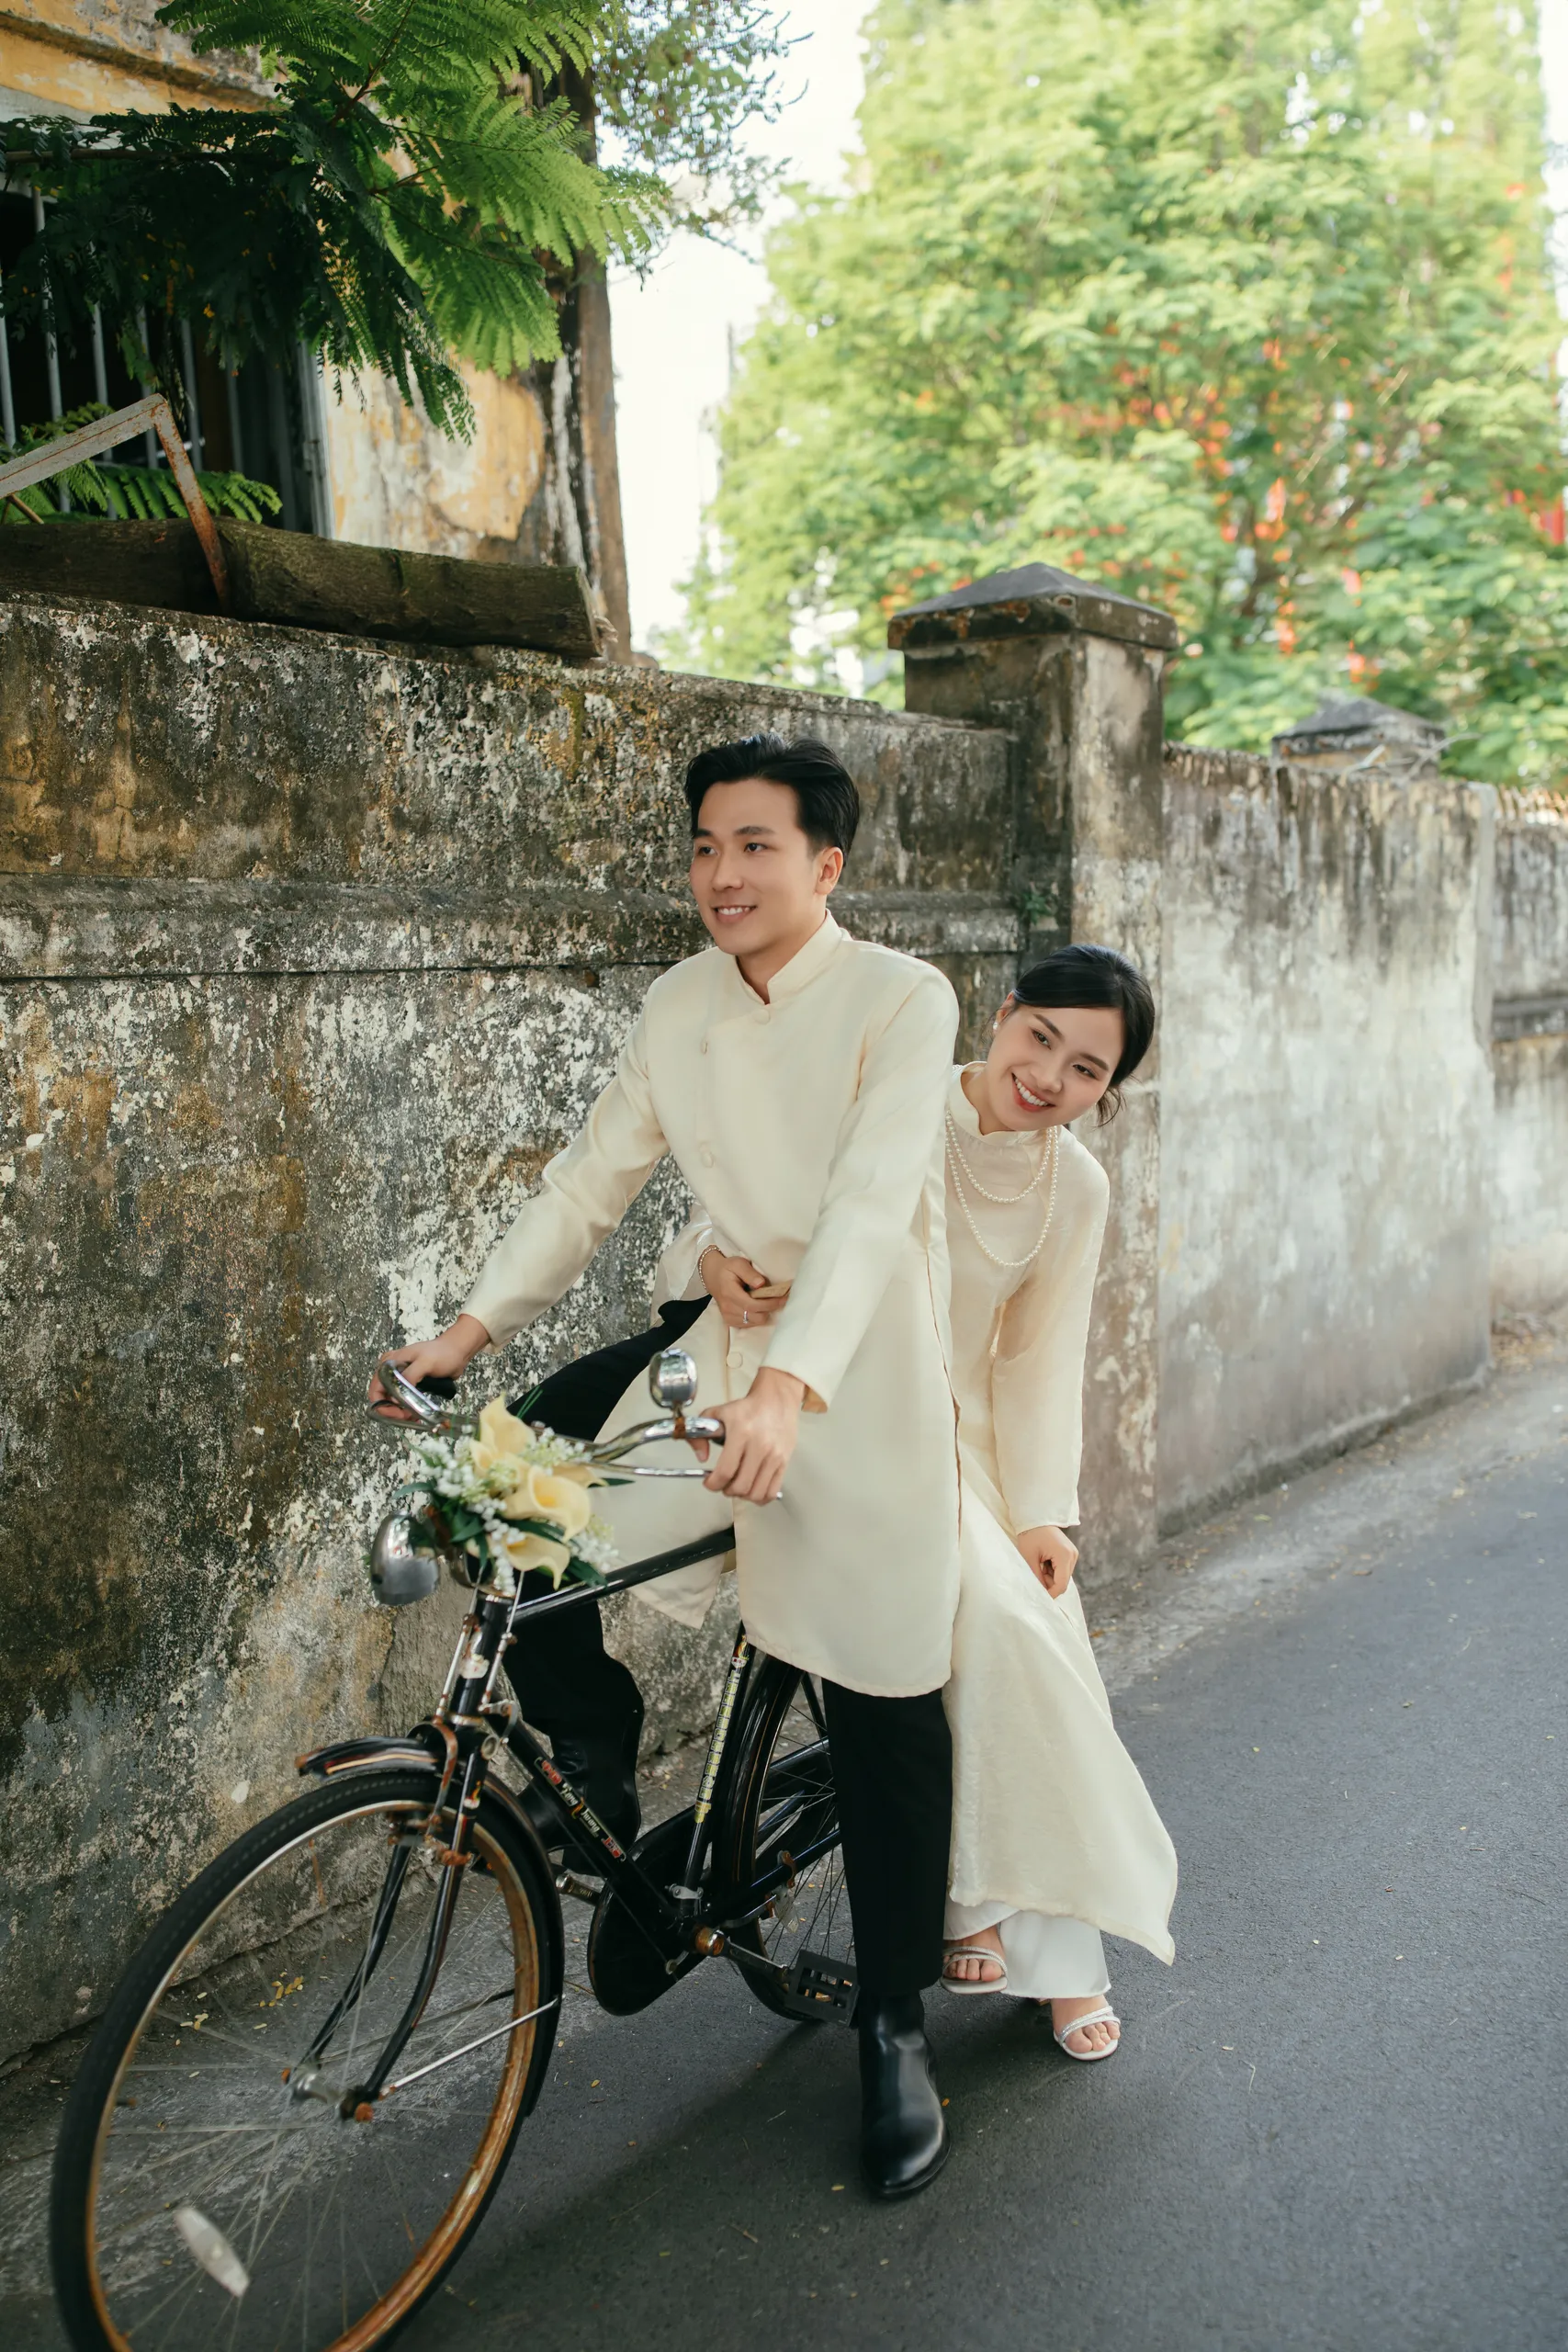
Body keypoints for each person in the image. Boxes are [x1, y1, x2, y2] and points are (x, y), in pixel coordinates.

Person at [371, 735, 963, 2199]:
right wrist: (462, 1329)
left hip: (860, 1371)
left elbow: (878, 1204)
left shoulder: (902, 998)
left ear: (825, 866)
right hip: (725, 1348)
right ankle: (597, 1757)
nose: (720, 873)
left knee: (882, 1698)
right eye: (703, 845)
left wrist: (796, 1388)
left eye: (754, 846)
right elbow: (591, 1181)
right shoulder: (676, 1004)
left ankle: (891, 2019)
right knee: (517, 1509)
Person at [693, 944, 1177, 2060]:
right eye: (1041, 1036)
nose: (1050, 1074)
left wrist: (1044, 1509)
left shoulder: (1078, 1187)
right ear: (1003, 1015)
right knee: (997, 1625)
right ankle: (979, 1910)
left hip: (965, 1445)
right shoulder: (903, 1101)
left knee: (1040, 1628)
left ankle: (1058, 1957)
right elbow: (762, 1205)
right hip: (842, 1410)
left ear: (1107, 1094)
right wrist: (709, 1257)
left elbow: (1037, 1358)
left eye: (1088, 1070)